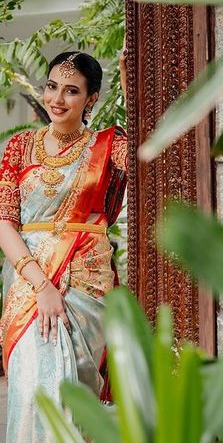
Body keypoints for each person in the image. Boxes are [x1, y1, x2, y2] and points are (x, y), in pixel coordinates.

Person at [0, 50, 128, 442]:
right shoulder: (19, 148)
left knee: (75, 393)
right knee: (34, 382)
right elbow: (4, 223)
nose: (56, 98)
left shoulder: (110, 145)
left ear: (92, 100)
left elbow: (153, 154)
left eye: (71, 91)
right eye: (52, 86)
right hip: (29, 283)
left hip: (88, 284)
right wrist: (43, 288)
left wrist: (131, 85)